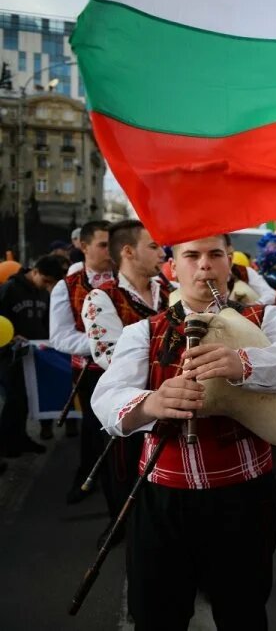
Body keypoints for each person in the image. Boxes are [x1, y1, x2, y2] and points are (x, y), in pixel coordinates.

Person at [91, 234, 276, 630]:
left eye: (215, 255)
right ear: (173, 267)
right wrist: (151, 403)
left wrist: (243, 363)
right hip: (165, 500)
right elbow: (106, 398)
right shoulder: (143, 332)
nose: (204, 265)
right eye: (191, 256)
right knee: (158, 615)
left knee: (243, 611)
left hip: (244, 498)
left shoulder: (265, 317)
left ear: (228, 263)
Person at [80, 220, 172, 545]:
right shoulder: (100, 298)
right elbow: (110, 357)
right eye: (154, 246)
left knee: (169, 493)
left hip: (172, 409)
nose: (162, 253)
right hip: (134, 408)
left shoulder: (172, 292)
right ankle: (127, 532)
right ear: (129, 252)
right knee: (126, 481)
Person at [49, 220, 114, 504]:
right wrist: (107, 343)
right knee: (93, 429)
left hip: (130, 369)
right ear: (83, 246)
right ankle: (87, 478)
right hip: (91, 372)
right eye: (102, 245)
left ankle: (122, 487)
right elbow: (60, 337)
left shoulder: (129, 280)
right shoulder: (67, 286)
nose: (109, 251)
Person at [0, 255, 67, 457]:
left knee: (26, 399)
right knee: (14, 400)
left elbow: (46, 322)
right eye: (45, 281)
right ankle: (6, 444)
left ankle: (21, 439)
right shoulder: (10, 289)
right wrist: (10, 337)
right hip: (9, 354)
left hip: (34, 354)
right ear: (35, 271)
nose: (47, 287)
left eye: (51, 284)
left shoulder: (43, 293)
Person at [222, 234, 276, 304]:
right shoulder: (205, 273)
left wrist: (254, 305)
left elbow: (271, 294)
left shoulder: (244, 271)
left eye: (230, 254)